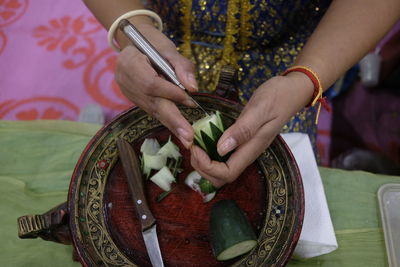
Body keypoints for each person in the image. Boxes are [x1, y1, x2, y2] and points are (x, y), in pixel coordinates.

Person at [83, 0, 400, 187]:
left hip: (299, 57)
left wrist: (305, 79)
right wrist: (134, 33)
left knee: (275, 181)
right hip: (167, 51)